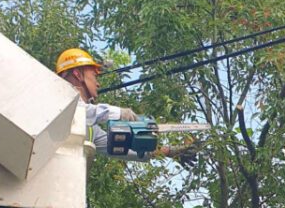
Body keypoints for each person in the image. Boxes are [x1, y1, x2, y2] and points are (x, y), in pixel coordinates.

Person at [55, 48, 196, 162]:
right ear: (78, 74)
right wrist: (120, 113)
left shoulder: (90, 129)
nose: (98, 84)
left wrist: (169, 151)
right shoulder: (57, 101)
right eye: (94, 76)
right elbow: (81, 111)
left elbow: (123, 148)